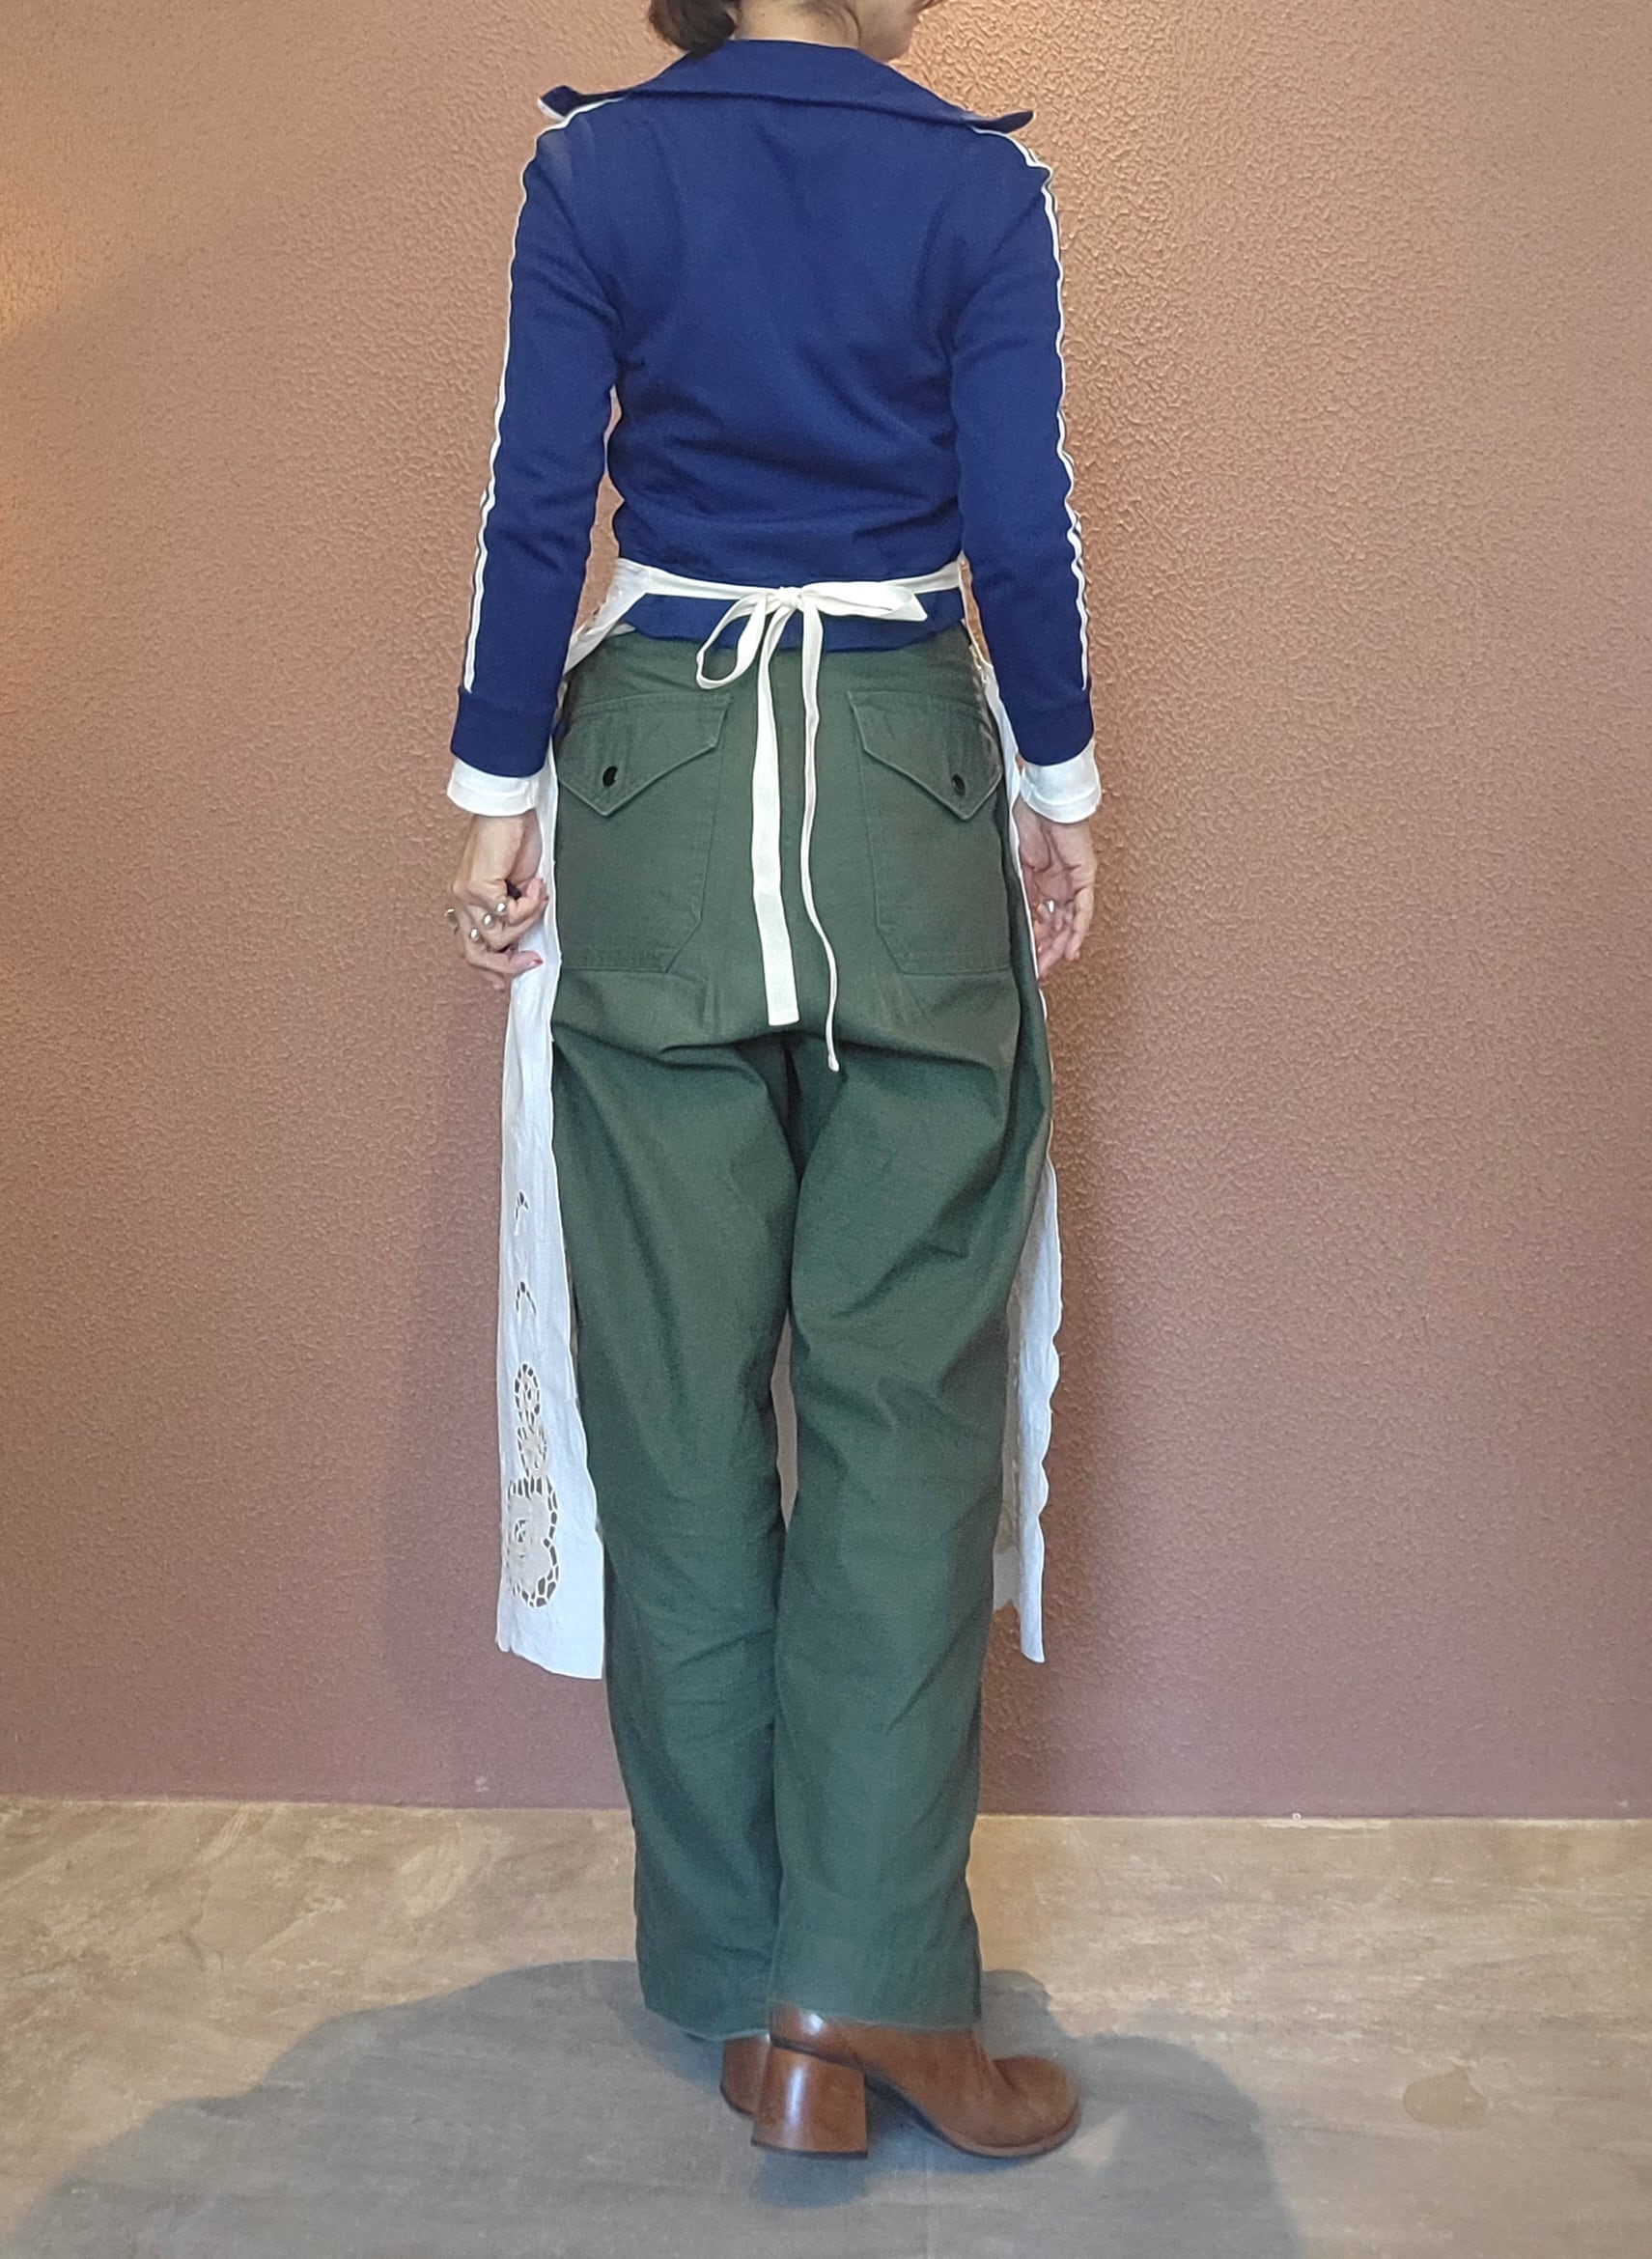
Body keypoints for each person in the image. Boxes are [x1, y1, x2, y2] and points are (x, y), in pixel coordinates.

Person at [441, 0, 1098, 2162]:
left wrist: (494, 792)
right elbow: (1022, 526)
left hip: (654, 773)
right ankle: (866, 1986)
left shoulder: (592, 168)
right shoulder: (978, 182)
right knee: (901, 1404)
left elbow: (538, 501)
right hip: (904, 781)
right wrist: (1061, 792)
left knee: (673, 1400)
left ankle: (746, 1993)